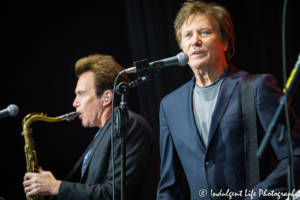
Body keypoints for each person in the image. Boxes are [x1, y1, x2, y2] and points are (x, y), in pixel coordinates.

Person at [157, 1, 300, 200]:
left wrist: (256, 196)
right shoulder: (170, 106)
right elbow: (169, 188)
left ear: (225, 42)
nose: (195, 41)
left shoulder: (257, 87)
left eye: (204, 32)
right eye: (187, 35)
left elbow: (295, 157)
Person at [23, 54, 160, 200]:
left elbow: (114, 194)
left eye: (81, 94)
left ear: (106, 97)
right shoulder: (104, 133)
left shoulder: (130, 125)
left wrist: (56, 187)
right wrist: (51, 186)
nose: (74, 103)